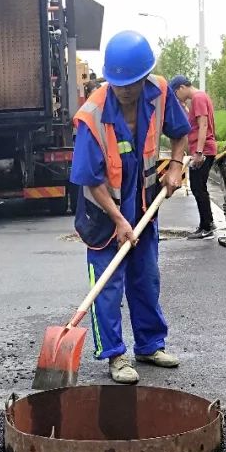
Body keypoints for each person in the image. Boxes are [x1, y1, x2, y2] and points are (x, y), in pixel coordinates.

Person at [69, 30, 191, 385]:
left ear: (142, 79)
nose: (123, 90)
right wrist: (119, 219)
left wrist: (177, 165)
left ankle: (150, 345)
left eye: (130, 84)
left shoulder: (159, 92)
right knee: (108, 287)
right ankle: (115, 355)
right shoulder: (92, 115)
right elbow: (91, 179)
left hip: (143, 205)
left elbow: (180, 133)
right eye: (117, 83)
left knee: (146, 278)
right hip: (103, 215)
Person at [170, 75, 218, 239]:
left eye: (176, 93)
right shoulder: (199, 98)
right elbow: (196, 123)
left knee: (199, 188)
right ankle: (205, 224)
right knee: (198, 187)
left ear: (182, 88)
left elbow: (203, 125)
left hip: (203, 151)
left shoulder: (198, 98)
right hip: (203, 150)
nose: (176, 97)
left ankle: (208, 225)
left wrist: (198, 152)